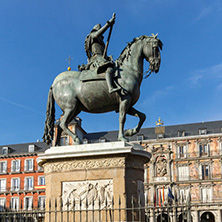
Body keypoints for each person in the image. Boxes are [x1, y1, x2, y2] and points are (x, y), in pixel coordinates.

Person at [84, 14, 121, 93]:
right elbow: (97, 34)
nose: (100, 31)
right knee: (109, 69)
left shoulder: (100, 42)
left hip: (102, 58)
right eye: (99, 29)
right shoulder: (92, 35)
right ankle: (110, 88)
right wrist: (108, 24)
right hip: (97, 59)